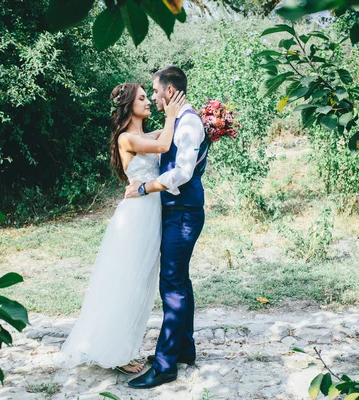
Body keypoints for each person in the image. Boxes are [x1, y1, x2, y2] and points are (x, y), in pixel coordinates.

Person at [56, 83, 186, 374]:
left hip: (151, 212)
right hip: (136, 216)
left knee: (141, 281)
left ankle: (124, 345)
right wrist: (171, 114)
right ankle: (116, 351)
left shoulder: (142, 135)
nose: (149, 101)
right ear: (129, 105)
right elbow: (164, 145)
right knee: (129, 280)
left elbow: (167, 138)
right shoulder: (127, 138)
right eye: (143, 98)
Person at [126, 66, 209, 389]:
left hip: (184, 213)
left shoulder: (188, 123)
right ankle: (183, 349)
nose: (155, 97)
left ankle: (165, 366)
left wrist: (146, 187)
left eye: (157, 91)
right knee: (180, 281)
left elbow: (183, 172)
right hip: (178, 211)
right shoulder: (179, 120)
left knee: (171, 285)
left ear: (170, 91)